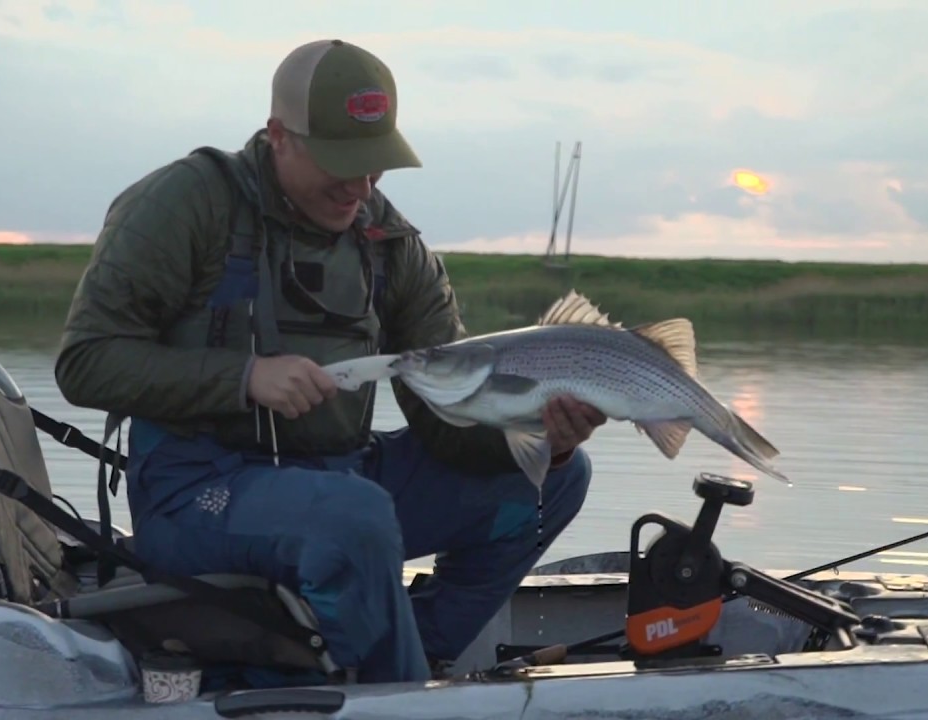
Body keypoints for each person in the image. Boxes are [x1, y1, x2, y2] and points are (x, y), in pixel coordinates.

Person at [54, 38, 605, 685]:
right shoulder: (186, 204)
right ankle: (391, 691)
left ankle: (409, 660)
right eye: (340, 161)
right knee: (354, 517)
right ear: (278, 135)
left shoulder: (391, 244)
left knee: (552, 480)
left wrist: (543, 437)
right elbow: (85, 362)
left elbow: (444, 425)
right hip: (193, 495)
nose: (359, 184)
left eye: (374, 163)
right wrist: (244, 379)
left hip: (343, 478)